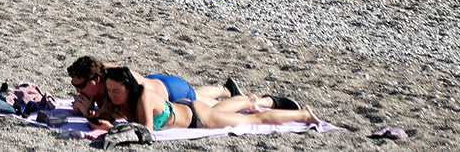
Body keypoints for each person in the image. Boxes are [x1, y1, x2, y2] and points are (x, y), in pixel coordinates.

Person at [97, 68, 321, 131]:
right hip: (186, 107)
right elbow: (101, 116)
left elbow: (146, 131)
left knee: (254, 121)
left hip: (198, 118)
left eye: (116, 91)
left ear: (129, 88)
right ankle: (249, 101)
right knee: (223, 108)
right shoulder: (115, 100)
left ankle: (303, 114)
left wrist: (111, 127)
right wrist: (98, 116)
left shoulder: (143, 96)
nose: (112, 95)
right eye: (109, 91)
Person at [67, 56, 237, 118]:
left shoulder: (115, 83)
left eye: (81, 85)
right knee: (195, 94)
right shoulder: (99, 74)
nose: (77, 90)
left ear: (96, 79)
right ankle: (226, 90)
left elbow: (118, 115)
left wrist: (89, 112)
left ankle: (245, 101)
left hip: (171, 93)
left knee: (213, 109)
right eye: (74, 84)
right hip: (157, 82)